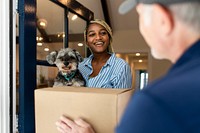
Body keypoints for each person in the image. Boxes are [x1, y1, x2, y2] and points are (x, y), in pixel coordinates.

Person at [55, 0, 200, 132]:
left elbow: (121, 112)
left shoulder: (154, 102)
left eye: (140, 16)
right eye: (92, 34)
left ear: (162, 19)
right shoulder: (79, 64)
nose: (98, 38)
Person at [78, 19, 132, 88]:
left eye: (103, 33)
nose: (98, 37)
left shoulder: (121, 67)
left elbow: (122, 98)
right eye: (92, 34)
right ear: (87, 42)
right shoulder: (80, 66)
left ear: (109, 39)